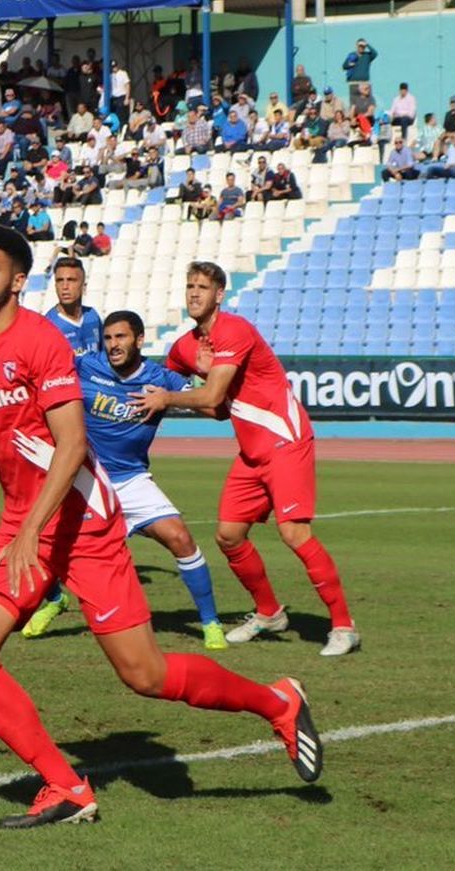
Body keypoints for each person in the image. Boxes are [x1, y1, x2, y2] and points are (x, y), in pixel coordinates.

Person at [0, 228, 322, 828]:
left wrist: (34, 529)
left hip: (83, 522)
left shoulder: (41, 343)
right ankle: (66, 786)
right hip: (24, 521)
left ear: (15, 280)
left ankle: (278, 702)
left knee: (146, 675)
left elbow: (71, 444)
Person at [136, 262, 359, 656]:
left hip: (285, 440)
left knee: (294, 533)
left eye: (203, 287)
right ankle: (270, 613)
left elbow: (205, 397)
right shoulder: (183, 348)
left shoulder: (234, 329)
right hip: (252, 452)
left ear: (219, 294)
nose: (194, 293)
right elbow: (215, 408)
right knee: (228, 535)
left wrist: (178, 396)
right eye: (190, 286)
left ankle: (343, 626)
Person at [75, 311, 226, 648]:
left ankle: (211, 623)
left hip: (131, 479)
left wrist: (196, 378)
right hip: (87, 481)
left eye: (121, 337)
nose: (113, 345)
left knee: (180, 538)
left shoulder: (161, 377)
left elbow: (218, 410)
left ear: (139, 340)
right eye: (109, 338)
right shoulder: (85, 366)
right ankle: (49, 604)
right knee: (51, 550)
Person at [22, 256, 103, 637]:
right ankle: (54, 595)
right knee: (49, 510)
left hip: (93, 426)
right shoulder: (46, 327)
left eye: (72, 279)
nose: (65, 285)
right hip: (58, 430)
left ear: (84, 283)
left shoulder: (94, 320)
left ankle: (81, 585)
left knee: (93, 509)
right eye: (60, 280)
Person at [342, 38, 377, 109]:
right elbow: (344, 66)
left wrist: (367, 44)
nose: (361, 48)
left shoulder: (367, 56)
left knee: (367, 104)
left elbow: (375, 53)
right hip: (354, 84)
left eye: (363, 46)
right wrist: (350, 64)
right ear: (357, 46)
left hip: (365, 84)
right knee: (354, 105)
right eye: (360, 46)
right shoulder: (351, 55)